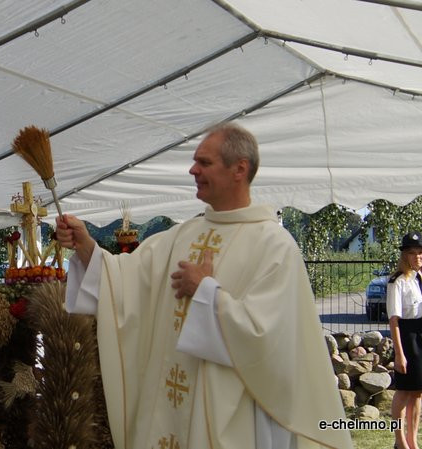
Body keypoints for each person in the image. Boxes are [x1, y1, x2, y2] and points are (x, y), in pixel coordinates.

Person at [55, 123, 351, 449]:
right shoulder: (182, 235)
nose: (193, 170)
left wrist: (206, 293)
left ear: (240, 169)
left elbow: (270, 340)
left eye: (204, 162)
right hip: (167, 408)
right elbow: (122, 281)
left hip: (231, 418)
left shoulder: (274, 246)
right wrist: (86, 246)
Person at [388, 232, 422, 449]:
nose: (417, 257)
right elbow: (394, 320)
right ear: (404, 256)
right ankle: (400, 442)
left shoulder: (420, 278)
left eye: (420, 252)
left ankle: (412, 440)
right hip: (407, 337)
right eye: (412, 253)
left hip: (421, 334)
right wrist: (400, 354)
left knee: (418, 392)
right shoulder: (398, 281)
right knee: (403, 391)